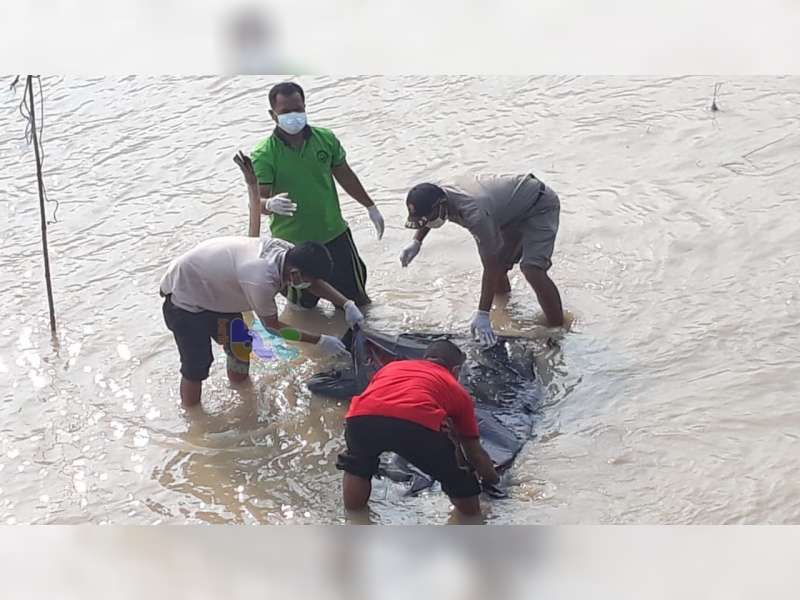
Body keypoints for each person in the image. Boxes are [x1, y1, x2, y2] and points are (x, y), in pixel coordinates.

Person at [160, 230, 365, 408]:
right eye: (305, 280)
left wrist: (347, 303)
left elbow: (311, 282)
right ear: (294, 274)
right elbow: (274, 328)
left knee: (240, 347)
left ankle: (241, 391)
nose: (308, 285)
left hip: (215, 290)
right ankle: (194, 417)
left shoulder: (286, 252)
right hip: (184, 302)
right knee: (196, 365)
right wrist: (319, 340)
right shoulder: (260, 280)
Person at [248, 80, 383, 309]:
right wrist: (269, 204)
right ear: (273, 115)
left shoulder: (325, 139)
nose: (294, 116)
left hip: (334, 234)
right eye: (286, 112)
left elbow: (345, 175)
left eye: (298, 109)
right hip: (292, 247)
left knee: (358, 302)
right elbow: (255, 203)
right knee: (303, 309)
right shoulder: (264, 155)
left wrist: (370, 206)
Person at [336, 340, 499, 516]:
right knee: (458, 480)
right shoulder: (456, 389)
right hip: (415, 424)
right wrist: (492, 479)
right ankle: (472, 521)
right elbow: (474, 452)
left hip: (360, 417)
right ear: (456, 370)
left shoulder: (392, 367)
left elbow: (382, 400)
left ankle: (354, 518)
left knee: (357, 466)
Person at [400, 173, 565, 346]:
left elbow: (490, 265)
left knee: (532, 269)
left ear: (442, 205)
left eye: (428, 219)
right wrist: (417, 241)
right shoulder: (434, 193)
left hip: (539, 204)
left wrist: (483, 313)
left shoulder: (475, 213)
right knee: (500, 267)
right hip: (507, 210)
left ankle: (556, 331)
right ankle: (505, 307)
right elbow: (428, 216)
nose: (426, 223)